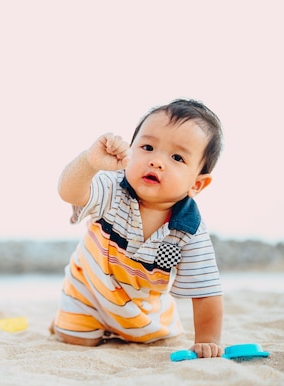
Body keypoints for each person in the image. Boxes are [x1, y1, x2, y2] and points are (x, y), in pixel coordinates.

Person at [50, 98, 224, 358]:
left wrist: (207, 340)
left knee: (151, 337)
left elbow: (206, 293)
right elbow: (70, 193)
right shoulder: (112, 188)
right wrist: (90, 162)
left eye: (177, 157)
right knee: (75, 340)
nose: (156, 161)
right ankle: (63, 325)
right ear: (130, 150)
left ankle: (126, 329)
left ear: (197, 185)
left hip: (142, 311)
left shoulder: (189, 229)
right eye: (147, 146)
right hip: (87, 294)